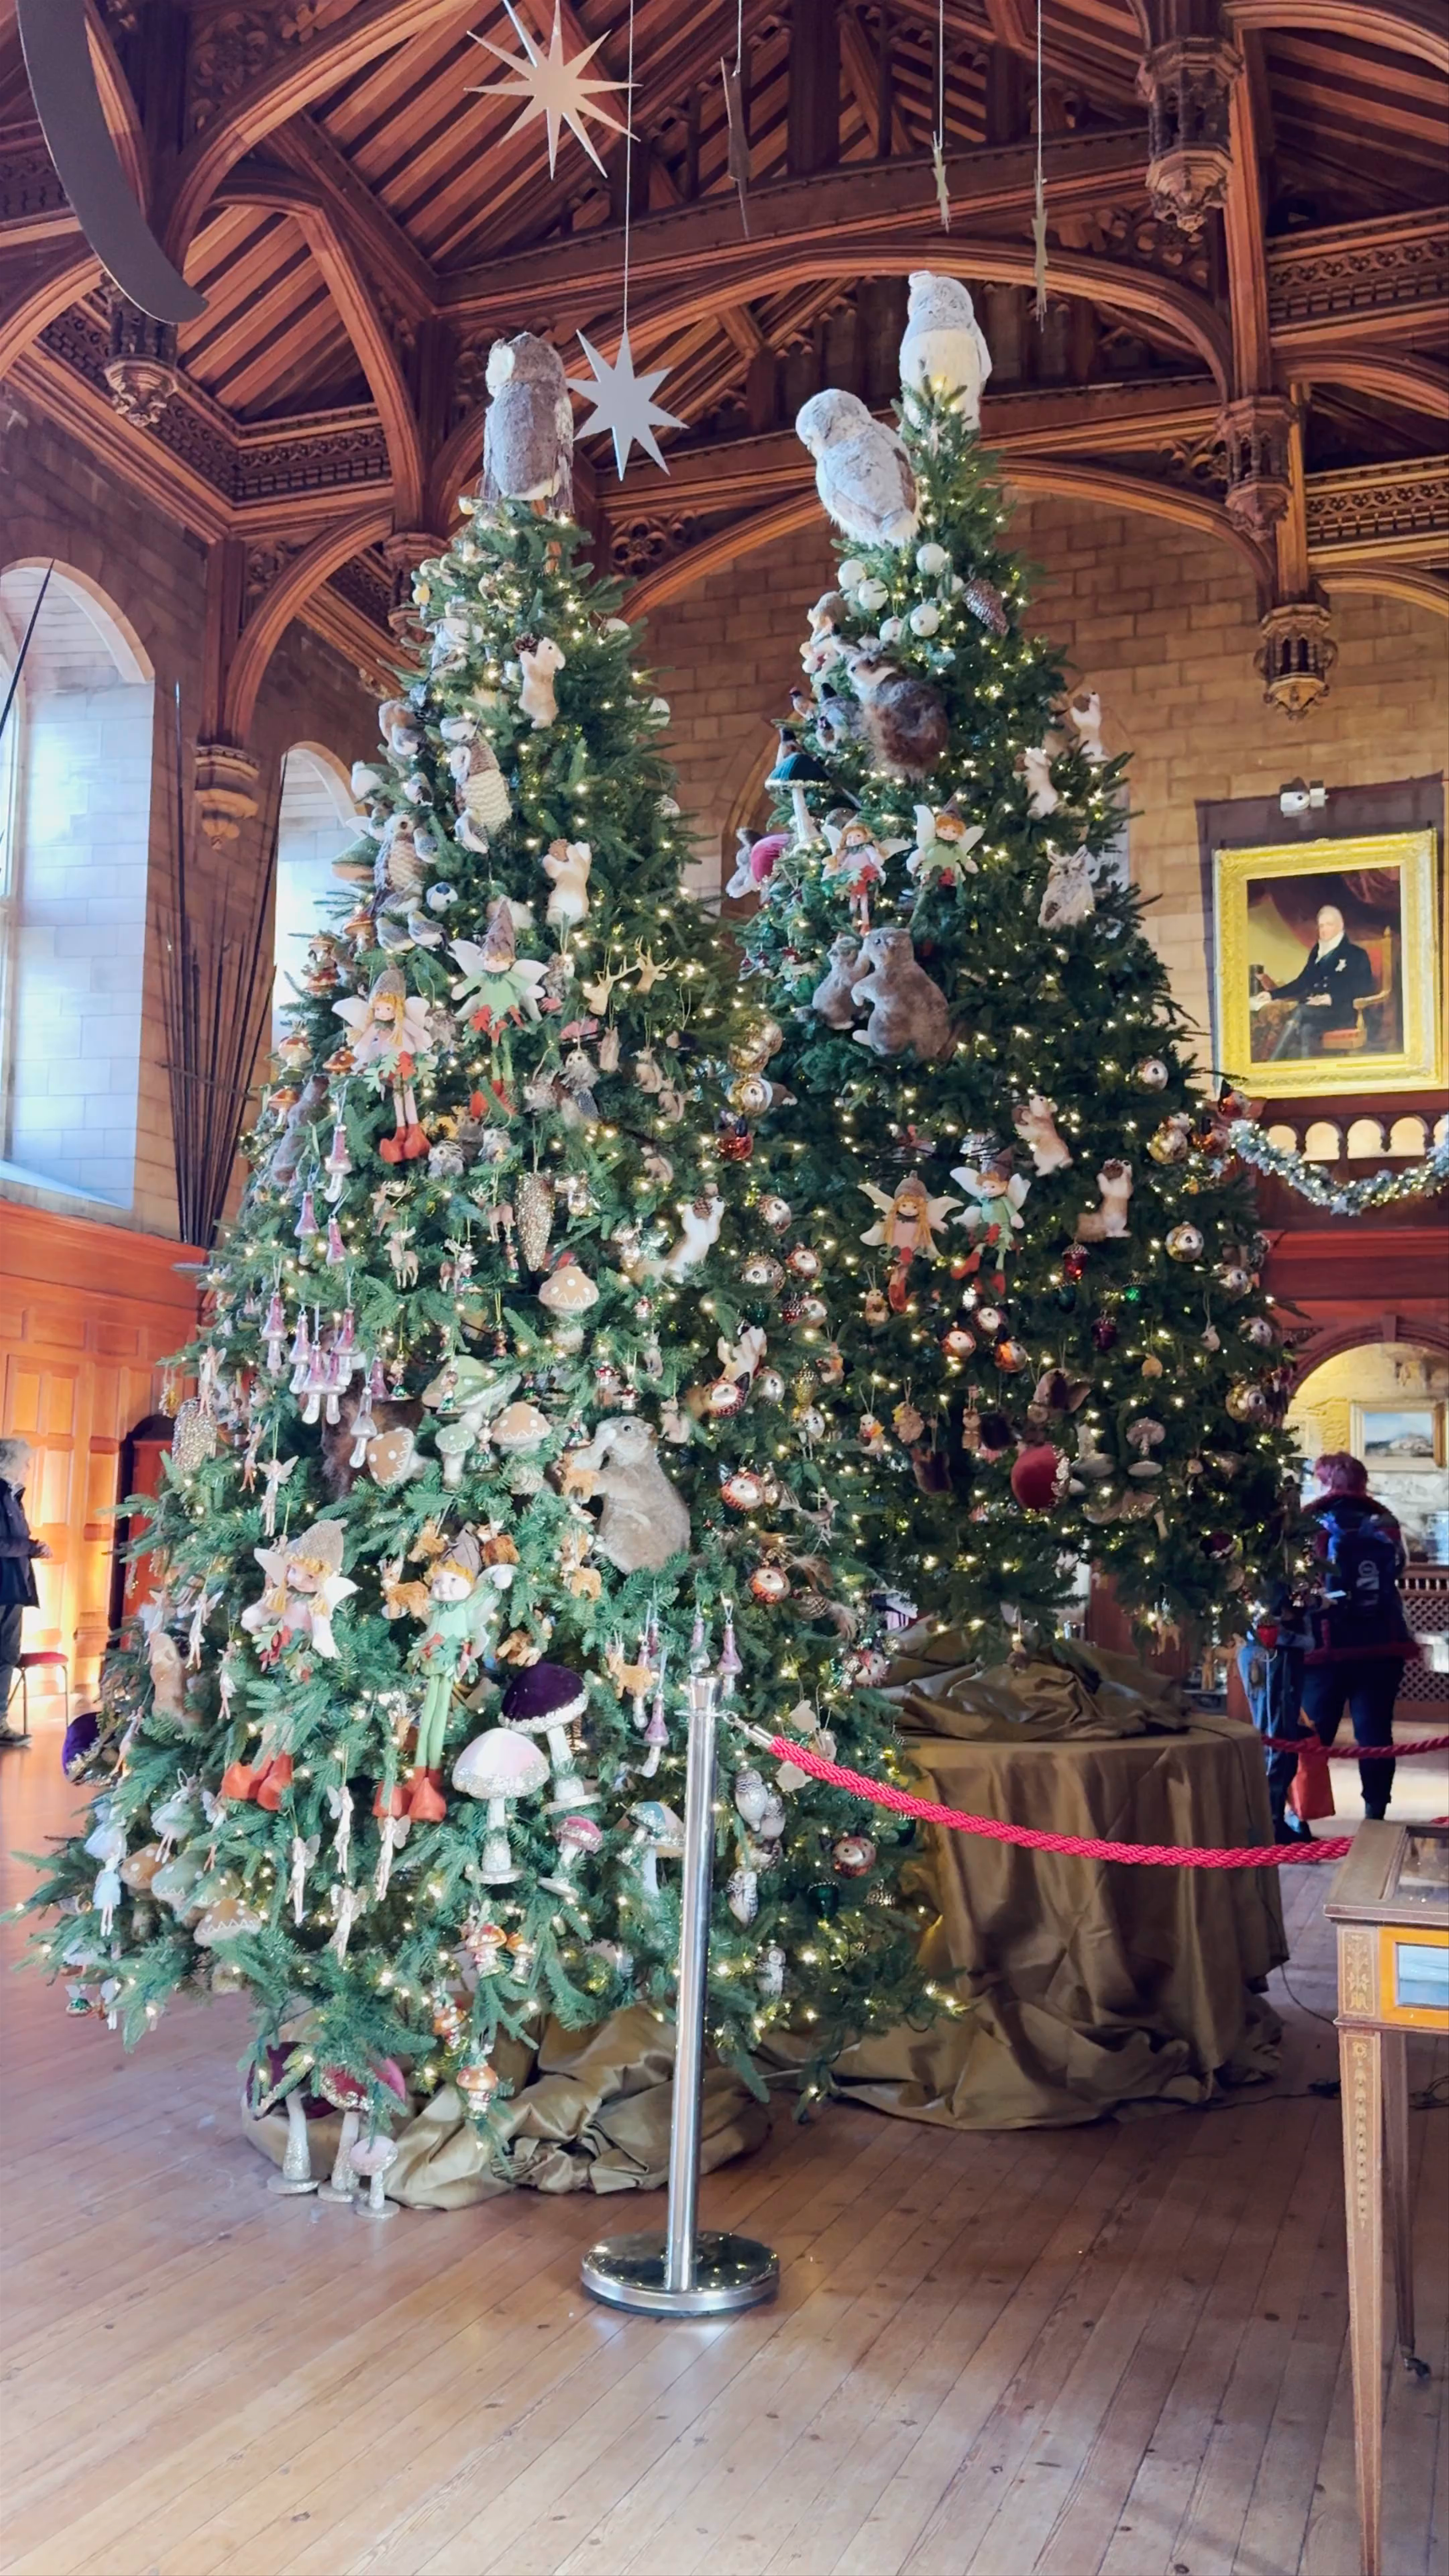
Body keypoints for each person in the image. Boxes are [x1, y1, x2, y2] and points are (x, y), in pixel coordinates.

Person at [1302, 1450, 1417, 1821]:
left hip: (1325, 1645)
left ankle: (1301, 1816)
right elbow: (1400, 1567)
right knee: (1376, 1733)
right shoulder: (1385, 1519)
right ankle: (1376, 1811)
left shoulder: (1309, 1520)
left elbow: (1299, 1578)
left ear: (1325, 1481)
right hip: (1382, 1643)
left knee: (1313, 1735)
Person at [1248, 902, 1378, 1060]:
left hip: (1345, 1012)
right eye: (1321, 926)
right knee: (1307, 1030)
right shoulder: (1318, 952)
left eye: (1329, 925)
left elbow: (1364, 987)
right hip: (1318, 1012)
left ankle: (1273, 1063)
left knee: (1300, 1010)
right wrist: (1272, 995)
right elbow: (1302, 982)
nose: (1324, 930)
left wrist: (1330, 998)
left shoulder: (1356, 954)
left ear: (1340, 926)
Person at [0, 1436, 46, 1747]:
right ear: (8, 1463)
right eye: (24, 1462)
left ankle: (1, 1722)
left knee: (7, 1655)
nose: (28, 1468)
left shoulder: (13, 1496)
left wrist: (33, 1548)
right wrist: (29, 1547)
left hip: (13, 1587)